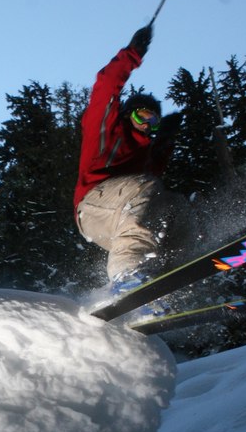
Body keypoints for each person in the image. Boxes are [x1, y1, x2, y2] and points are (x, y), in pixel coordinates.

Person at [74, 24, 185, 295]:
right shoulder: (107, 129)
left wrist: (167, 138)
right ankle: (128, 277)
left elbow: (154, 178)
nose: (147, 126)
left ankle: (167, 281)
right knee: (146, 186)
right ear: (127, 115)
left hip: (121, 218)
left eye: (153, 122)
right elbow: (106, 86)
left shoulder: (146, 154)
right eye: (142, 117)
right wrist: (132, 53)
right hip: (92, 206)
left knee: (176, 207)